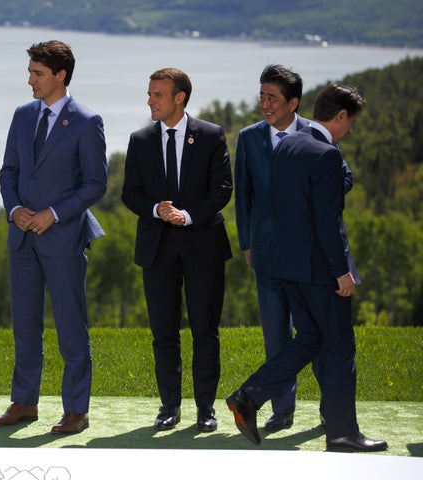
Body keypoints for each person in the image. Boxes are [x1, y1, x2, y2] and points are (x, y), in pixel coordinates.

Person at [226, 83, 387, 453]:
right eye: (351, 123)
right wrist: (341, 271)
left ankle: (248, 396)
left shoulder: (287, 145)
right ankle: (343, 432)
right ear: (341, 116)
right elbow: (328, 221)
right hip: (319, 270)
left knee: (310, 339)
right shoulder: (326, 153)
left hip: (288, 268)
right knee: (340, 348)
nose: (351, 130)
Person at [0, 40, 107, 434]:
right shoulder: (22, 115)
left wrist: (53, 214)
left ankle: (76, 409)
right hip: (21, 238)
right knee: (25, 326)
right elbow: (8, 172)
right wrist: (15, 210)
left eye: (37, 73)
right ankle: (24, 402)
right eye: (29, 72)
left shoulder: (87, 121)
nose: (30, 80)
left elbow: (96, 184)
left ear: (60, 75)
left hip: (63, 239)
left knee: (71, 327)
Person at [234, 64, 355, 432]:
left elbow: (342, 177)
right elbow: (245, 197)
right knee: (283, 335)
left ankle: (324, 411)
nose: (264, 104)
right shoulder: (250, 137)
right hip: (271, 254)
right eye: (261, 96)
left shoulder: (314, 137)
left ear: (293, 102)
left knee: (313, 336)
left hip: (310, 254)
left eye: (271, 97)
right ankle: (282, 411)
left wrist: (312, 197)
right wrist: (248, 244)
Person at [122, 68, 232, 433]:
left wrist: (186, 215)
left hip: (203, 246)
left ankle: (205, 409)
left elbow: (222, 189)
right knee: (163, 333)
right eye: (149, 93)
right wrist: (157, 209)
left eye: (158, 94)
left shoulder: (211, 136)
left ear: (179, 97)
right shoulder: (140, 140)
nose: (150, 100)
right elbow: (130, 193)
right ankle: (168, 407)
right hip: (157, 249)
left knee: (205, 331)